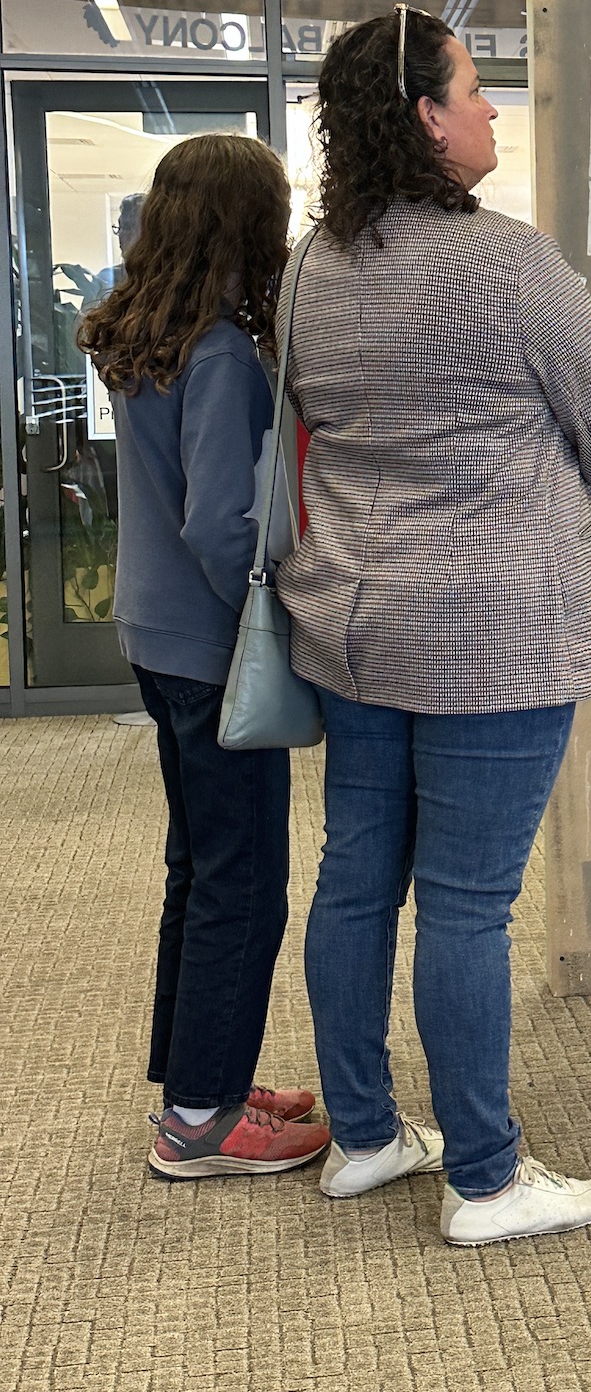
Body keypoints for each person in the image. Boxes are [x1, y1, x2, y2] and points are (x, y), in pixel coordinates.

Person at [279, 5, 591, 1245]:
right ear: (427, 117)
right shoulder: (510, 263)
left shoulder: (309, 268)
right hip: (497, 627)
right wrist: (541, 517)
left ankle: (368, 1137)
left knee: (356, 879)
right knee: (471, 905)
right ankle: (486, 1178)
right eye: (477, 91)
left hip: (356, 619)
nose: (493, 112)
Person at [78, 135, 331, 1180]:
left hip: (153, 635)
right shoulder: (223, 353)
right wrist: (277, 624)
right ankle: (199, 1121)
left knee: (198, 867)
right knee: (245, 882)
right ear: (249, 223)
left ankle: (199, 1079)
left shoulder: (144, 338)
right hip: (212, 642)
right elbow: (225, 527)